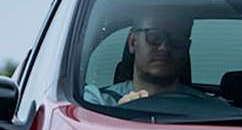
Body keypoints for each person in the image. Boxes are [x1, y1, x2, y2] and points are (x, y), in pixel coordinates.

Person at [83, 10, 219, 106]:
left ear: (186, 48)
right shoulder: (94, 103)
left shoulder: (212, 110)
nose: (164, 47)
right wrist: (119, 114)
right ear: (133, 42)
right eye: (155, 37)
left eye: (177, 40)